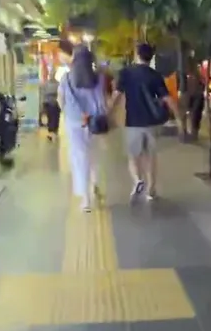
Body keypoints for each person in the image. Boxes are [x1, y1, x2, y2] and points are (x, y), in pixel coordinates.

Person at [112, 43, 179, 201]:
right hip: (152, 122)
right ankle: (151, 190)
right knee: (150, 156)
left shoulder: (126, 73)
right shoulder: (155, 75)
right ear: (151, 57)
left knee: (133, 156)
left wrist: (109, 113)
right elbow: (167, 98)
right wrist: (180, 118)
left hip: (133, 121)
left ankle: (137, 180)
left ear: (137, 55)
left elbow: (117, 95)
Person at [60, 46, 109, 212]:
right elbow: (103, 100)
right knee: (94, 156)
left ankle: (86, 200)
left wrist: (69, 112)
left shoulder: (66, 79)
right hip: (95, 123)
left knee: (80, 159)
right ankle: (94, 184)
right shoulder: (99, 78)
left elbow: (61, 101)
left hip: (75, 123)